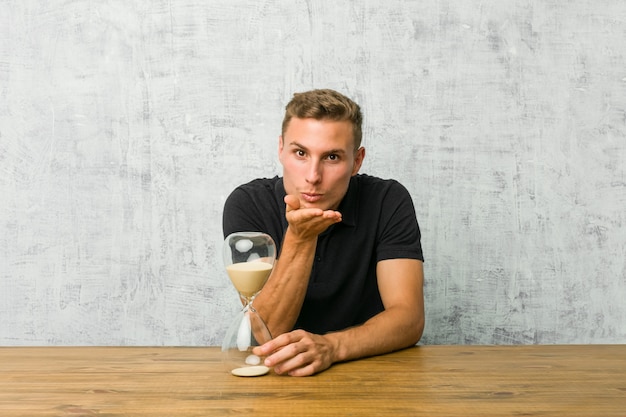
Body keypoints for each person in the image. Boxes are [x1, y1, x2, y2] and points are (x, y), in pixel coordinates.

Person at [222, 88, 425, 376]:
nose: (313, 176)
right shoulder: (248, 204)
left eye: (331, 157)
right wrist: (300, 237)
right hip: (277, 374)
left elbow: (409, 319)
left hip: (370, 370)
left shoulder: (387, 200)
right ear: (281, 149)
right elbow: (264, 332)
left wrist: (332, 347)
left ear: (357, 161)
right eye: (300, 153)